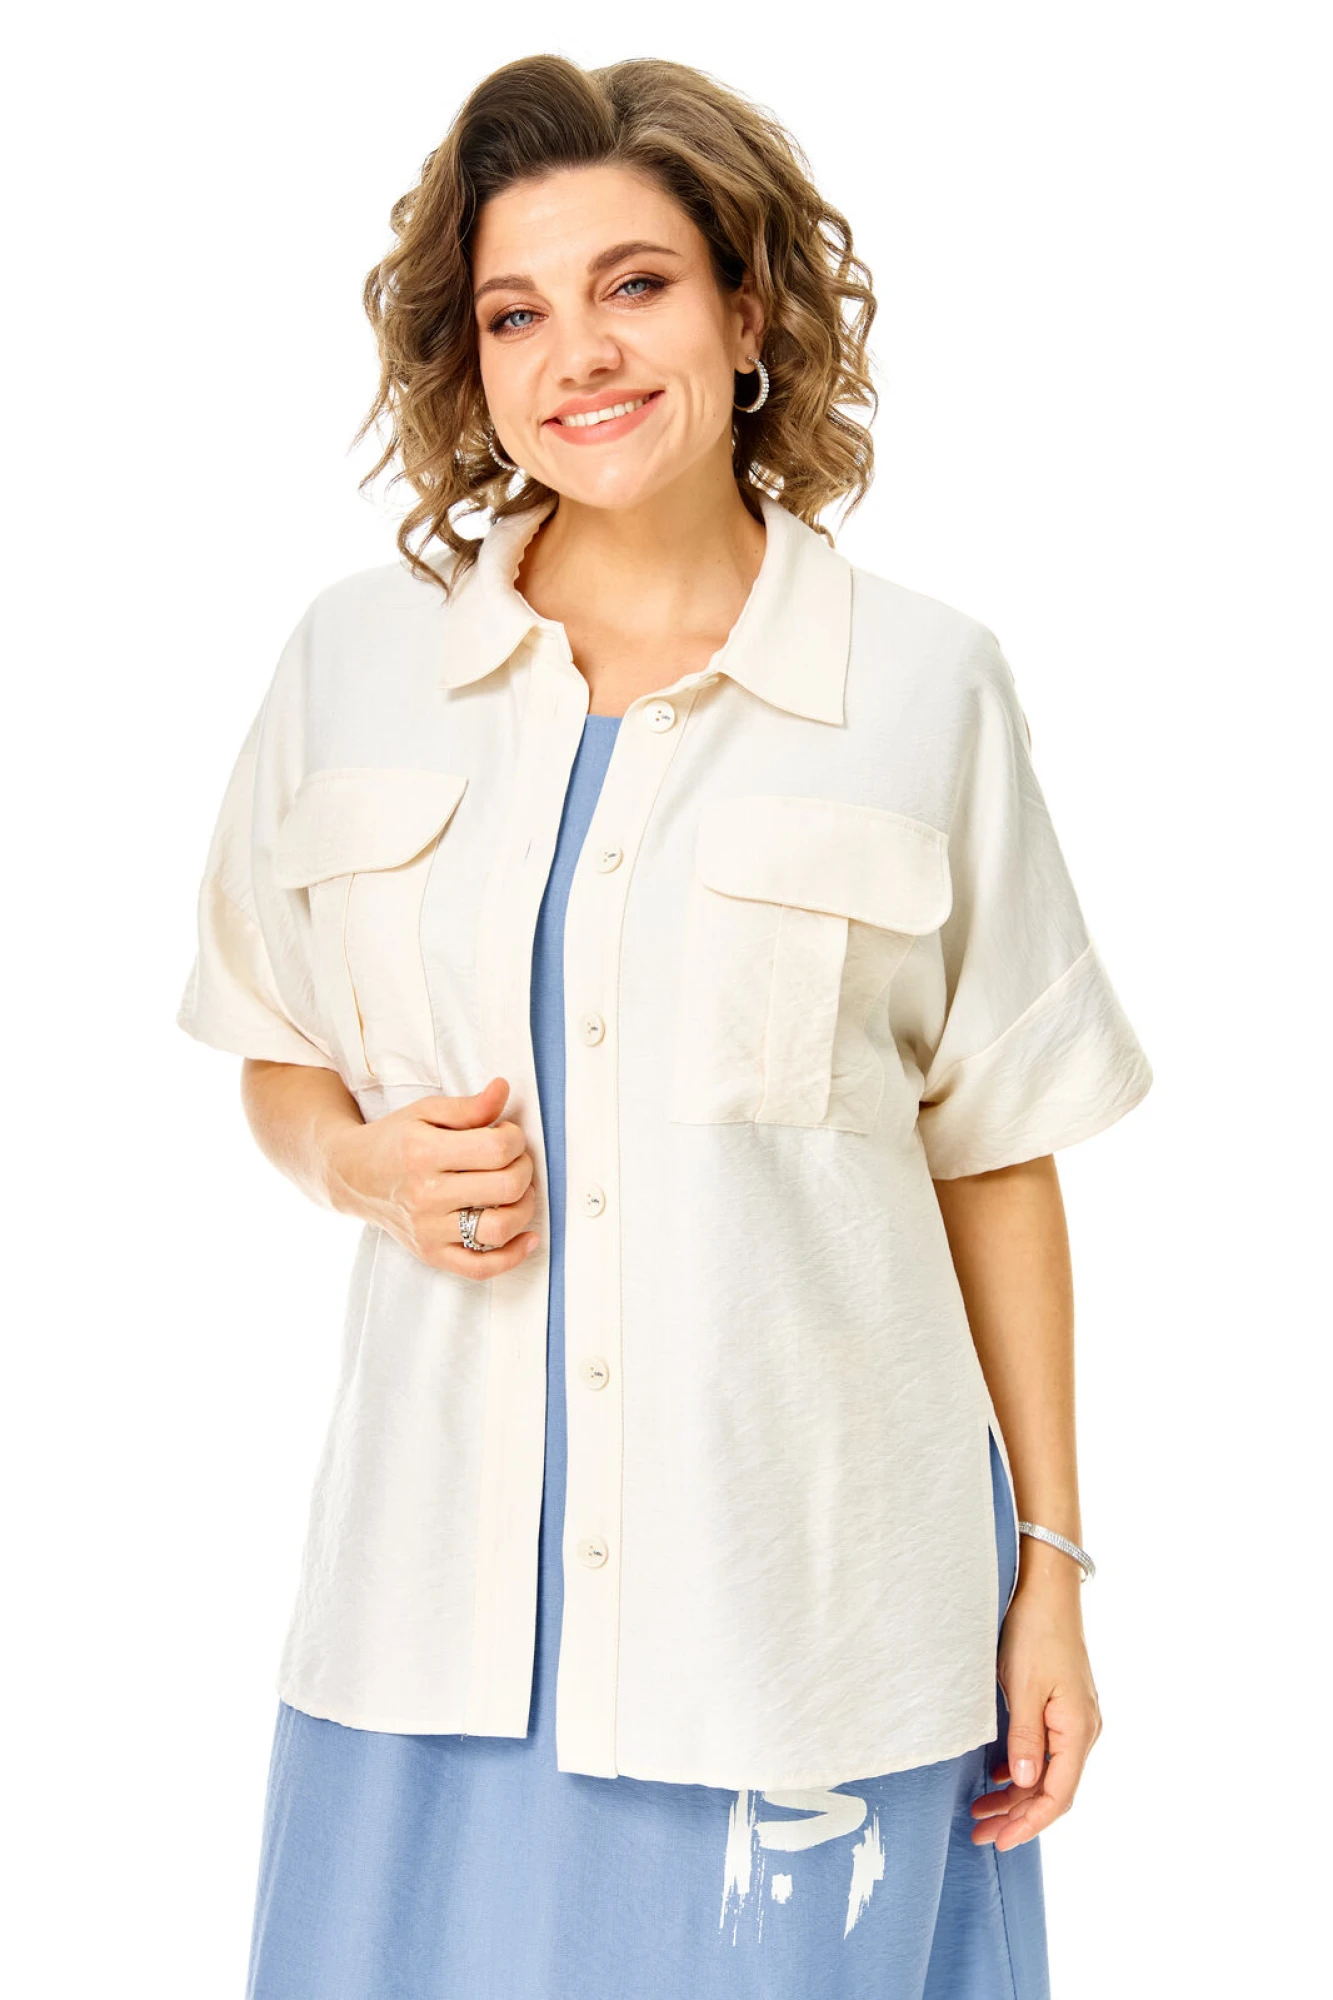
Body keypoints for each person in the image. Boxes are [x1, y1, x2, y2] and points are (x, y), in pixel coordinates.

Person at [176, 52, 1153, 2000]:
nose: (580, 354)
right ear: (468, 360)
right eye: (514, 312)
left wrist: (1053, 1565)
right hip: (435, 1618)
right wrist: (357, 1163)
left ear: (748, 309)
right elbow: (274, 1042)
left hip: (804, 1621)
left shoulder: (923, 687)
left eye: (635, 283)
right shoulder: (355, 665)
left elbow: (995, 1149)